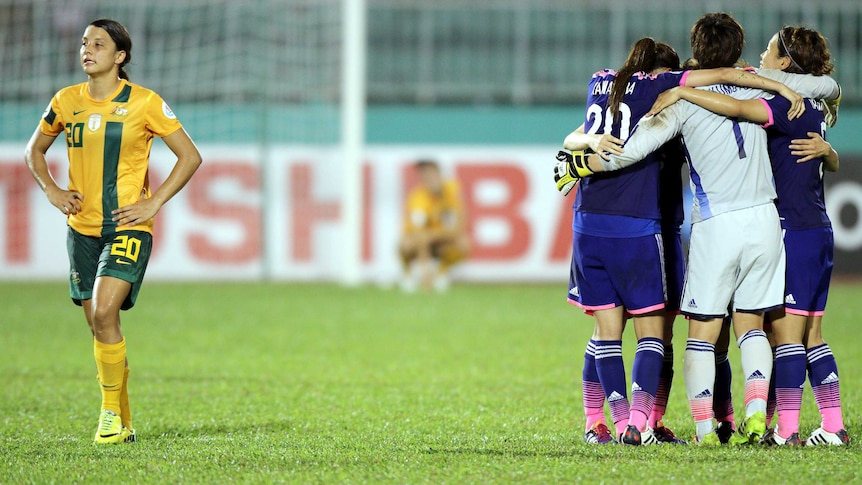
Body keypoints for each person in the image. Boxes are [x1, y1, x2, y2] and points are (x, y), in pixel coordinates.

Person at [564, 13, 841, 445]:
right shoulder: (755, 80)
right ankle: (754, 415)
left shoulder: (683, 96)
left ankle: (703, 427)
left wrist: (575, 160)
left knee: (703, 331)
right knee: (750, 325)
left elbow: (626, 151)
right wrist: (800, 93)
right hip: (765, 220)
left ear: (696, 48)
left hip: (717, 224)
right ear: (739, 48)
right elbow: (824, 86)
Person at [646, 25, 848, 446]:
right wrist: (830, 153)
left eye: (771, 50)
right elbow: (824, 101)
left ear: (786, 63)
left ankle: (784, 429)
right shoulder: (805, 98)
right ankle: (816, 422)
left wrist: (683, 92)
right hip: (804, 227)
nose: (762, 55)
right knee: (799, 332)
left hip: (782, 227)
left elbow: (737, 109)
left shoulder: (776, 102)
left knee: (783, 335)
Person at [24, 19, 202, 444]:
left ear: (120, 57)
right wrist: (51, 189)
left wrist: (153, 202)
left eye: (99, 44)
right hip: (82, 230)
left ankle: (106, 415)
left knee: (105, 313)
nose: (88, 50)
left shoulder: (145, 103)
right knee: (98, 325)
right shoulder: (66, 101)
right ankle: (123, 423)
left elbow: (190, 156)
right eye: (85, 43)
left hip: (128, 226)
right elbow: (34, 150)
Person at [398, 159, 470, 292]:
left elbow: (457, 228)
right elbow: (418, 234)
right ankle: (412, 274)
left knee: (463, 244)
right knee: (405, 245)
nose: (428, 178)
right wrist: (425, 269)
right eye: (423, 174)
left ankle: (440, 272)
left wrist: (432, 236)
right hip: (421, 243)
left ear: (439, 174)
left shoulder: (452, 191)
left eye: (430, 173)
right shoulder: (418, 198)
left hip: (440, 239)